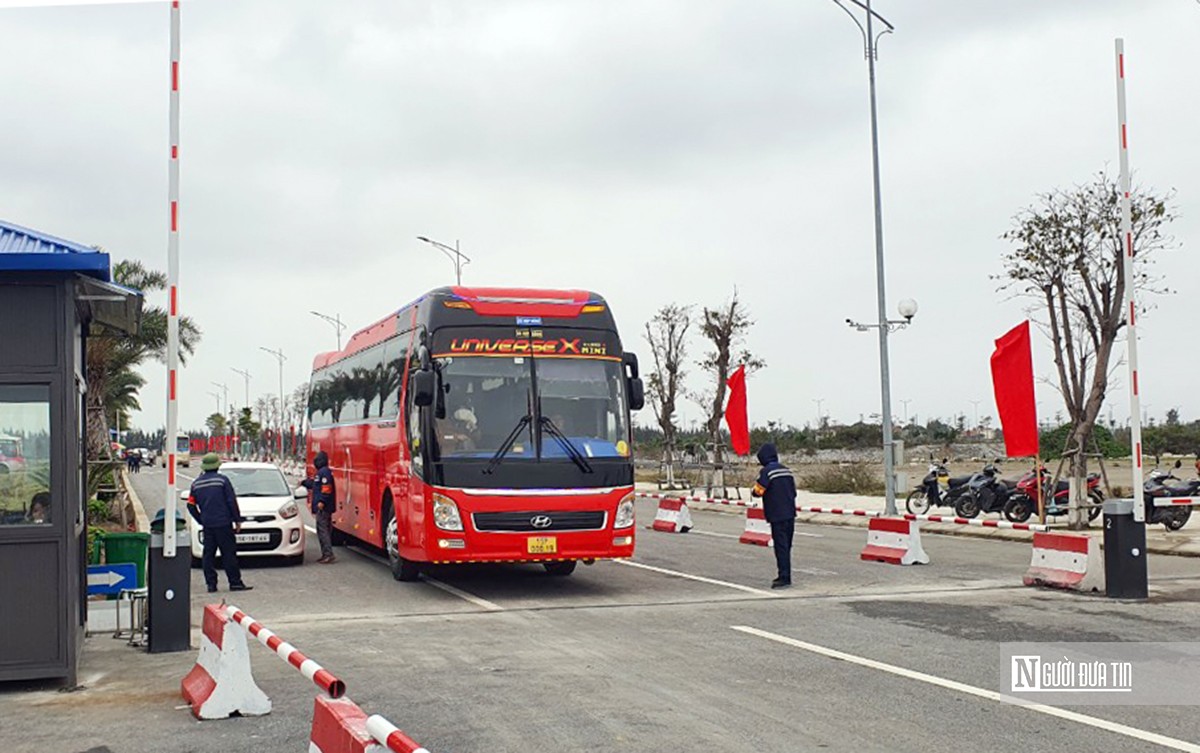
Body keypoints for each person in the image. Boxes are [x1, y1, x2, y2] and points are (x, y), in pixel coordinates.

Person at [187, 452, 252, 593]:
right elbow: (231, 501)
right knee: (228, 553)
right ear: (217, 466)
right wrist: (237, 520)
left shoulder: (196, 484)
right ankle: (235, 582)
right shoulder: (223, 481)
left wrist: (201, 519)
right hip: (223, 524)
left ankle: (211, 584)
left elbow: (190, 505)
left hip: (208, 525)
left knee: (208, 555)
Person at [751, 442, 797, 589]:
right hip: (790, 513)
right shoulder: (787, 471)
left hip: (777, 514)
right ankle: (786, 574)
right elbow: (794, 492)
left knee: (780, 547)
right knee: (787, 546)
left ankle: (784, 577)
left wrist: (753, 490)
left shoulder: (767, 472)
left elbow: (758, 491)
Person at [301, 451, 337, 564]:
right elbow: (314, 484)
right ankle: (325, 553)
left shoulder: (324, 472)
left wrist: (322, 502)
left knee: (323, 531)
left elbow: (326, 489)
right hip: (322, 507)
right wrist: (304, 482)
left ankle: (328, 554)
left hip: (323, 508)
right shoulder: (321, 473)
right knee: (323, 530)